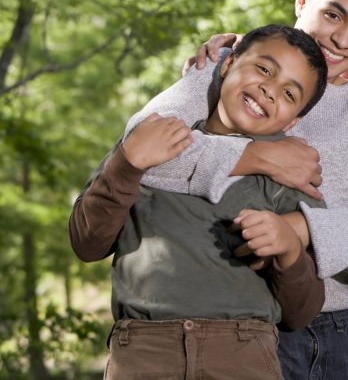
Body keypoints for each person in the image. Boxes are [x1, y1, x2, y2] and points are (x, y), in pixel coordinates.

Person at [131, 0, 348, 380]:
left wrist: (302, 229)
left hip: (343, 333)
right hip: (242, 326)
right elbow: (139, 145)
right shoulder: (232, 67)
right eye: (332, 14)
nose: (342, 39)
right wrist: (257, 156)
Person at [69, 25, 329, 380]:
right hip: (143, 353)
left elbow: (302, 313)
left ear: (295, 118)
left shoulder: (289, 176)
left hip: (242, 356)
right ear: (227, 64)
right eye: (264, 69)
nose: (270, 90)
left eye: (289, 93)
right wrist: (126, 166)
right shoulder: (153, 140)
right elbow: (87, 243)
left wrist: (288, 251)